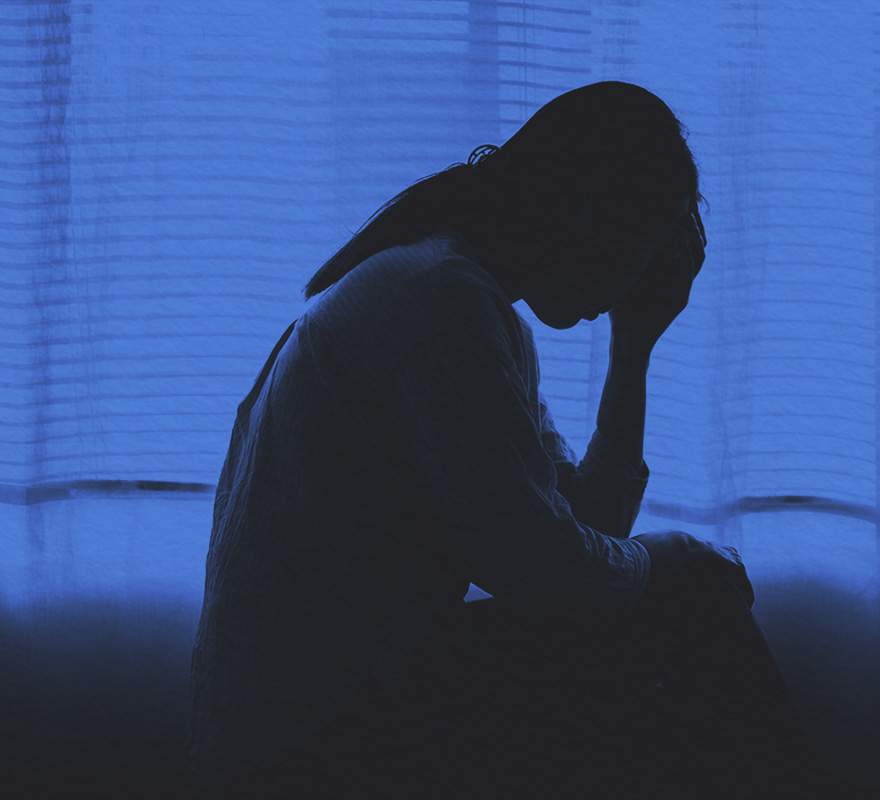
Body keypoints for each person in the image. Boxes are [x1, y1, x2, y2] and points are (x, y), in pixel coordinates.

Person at [186, 81, 830, 799]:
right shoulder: (441, 304)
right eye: (647, 253)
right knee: (695, 600)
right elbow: (552, 574)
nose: (642, 280)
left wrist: (634, 345)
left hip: (342, 702)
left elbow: (585, 534)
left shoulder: (465, 300)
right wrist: (674, 554)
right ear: (594, 218)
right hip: (310, 741)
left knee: (675, 618)